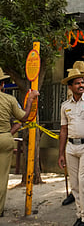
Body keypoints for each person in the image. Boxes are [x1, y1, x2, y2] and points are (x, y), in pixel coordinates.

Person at [58, 68, 84, 226]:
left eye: (82, 82)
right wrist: (61, 153)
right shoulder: (65, 106)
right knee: (74, 185)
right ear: (70, 86)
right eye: (77, 83)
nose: (81, 85)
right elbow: (63, 130)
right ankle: (79, 214)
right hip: (70, 147)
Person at [0, 68, 39, 218]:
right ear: (2, 84)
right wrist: (29, 101)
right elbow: (24, 117)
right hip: (4, 138)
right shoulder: (8, 100)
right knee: (2, 177)